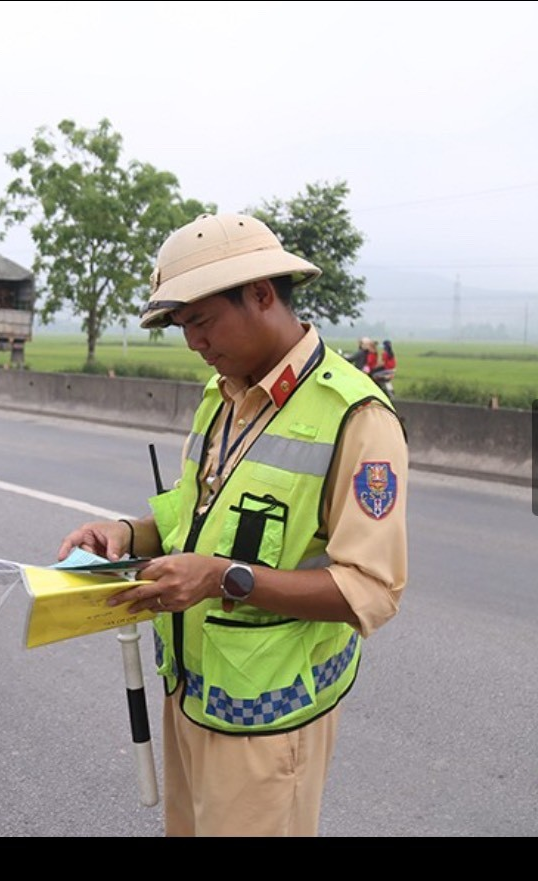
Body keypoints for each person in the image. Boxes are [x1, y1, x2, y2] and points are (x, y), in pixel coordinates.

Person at [57, 213, 409, 837]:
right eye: (182, 327)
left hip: (269, 720)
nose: (194, 342)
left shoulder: (355, 416)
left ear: (261, 295)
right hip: (192, 692)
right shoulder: (220, 397)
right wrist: (124, 534)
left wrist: (222, 579)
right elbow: (195, 524)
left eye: (201, 320)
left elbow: (371, 592)